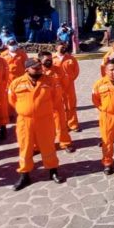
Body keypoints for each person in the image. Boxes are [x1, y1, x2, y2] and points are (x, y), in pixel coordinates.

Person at [9, 58, 65, 190]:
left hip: (45, 120)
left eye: (40, 67)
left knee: (48, 146)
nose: (39, 69)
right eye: (35, 68)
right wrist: (26, 109)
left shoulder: (50, 81)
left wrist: (43, 109)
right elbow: (12, 100)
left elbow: (56, 98)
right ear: (27, 69)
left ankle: (53, 171)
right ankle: (24, 175)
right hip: (25, 121)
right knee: (25, 147)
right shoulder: (16, 83)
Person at [40, 51, 75, 152]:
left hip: (57, 103)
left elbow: (65, 83)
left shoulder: (58, 71)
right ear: (41, 60)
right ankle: (42, 145)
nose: (49, 62)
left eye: (50, 59)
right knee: (43, 127)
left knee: (61, 124)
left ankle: (65, 143)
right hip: (43, 104)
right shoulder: (37, 72)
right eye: (46, 60)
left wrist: (59, 94)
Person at [54, 41, 81, 133]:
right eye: (61, 47)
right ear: (56, 47)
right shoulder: (52, 59)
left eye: (64, 47)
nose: (63, 48)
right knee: (58, 106)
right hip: (56, 86)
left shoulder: (71, 59)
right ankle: (62, 124)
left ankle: (73, 124)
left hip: (69, 86)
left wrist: (69, 79)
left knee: (71, 105)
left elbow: (76, 71)